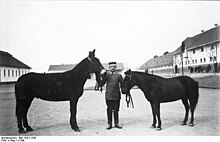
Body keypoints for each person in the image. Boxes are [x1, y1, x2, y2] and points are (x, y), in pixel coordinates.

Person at [99, 62, 123, 130]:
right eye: (111, 67)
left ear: (116, 67)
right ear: (109, 68)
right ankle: (109, 123)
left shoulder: (119, 75)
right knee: (109, 109)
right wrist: (100, 77)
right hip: (109, 95)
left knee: (116, 110)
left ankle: (117, 123)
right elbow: (101, 84)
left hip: (116, 95)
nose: (112, 68)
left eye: (114, 66)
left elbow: (123, 84)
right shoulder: (106, 75)